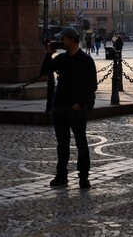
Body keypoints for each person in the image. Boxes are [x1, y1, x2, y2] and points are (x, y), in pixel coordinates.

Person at [40, 26, 98, 189]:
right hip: (60, 107)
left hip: (77, 109)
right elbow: (44, 71)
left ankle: (84, 177)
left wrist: (80, 103)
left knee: (81, 143)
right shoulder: (60, 59)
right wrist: (48, 54)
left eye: (64, 38)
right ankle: (61, 175)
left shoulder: (86, 60)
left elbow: (91, 85)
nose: (61, 41)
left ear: (72, 39)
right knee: (62, 144)